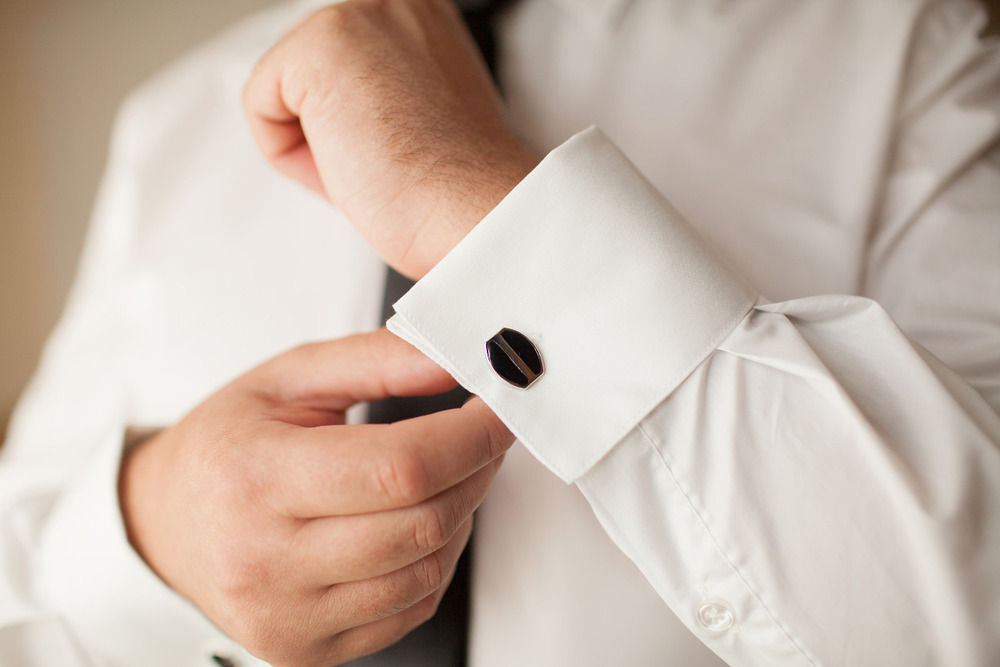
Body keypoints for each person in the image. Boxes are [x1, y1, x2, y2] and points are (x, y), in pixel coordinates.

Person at [2, 0, 999, 665]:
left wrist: (474, 204)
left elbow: (971, 618)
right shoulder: (174, 120)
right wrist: (146, 527)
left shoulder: (897, 46)